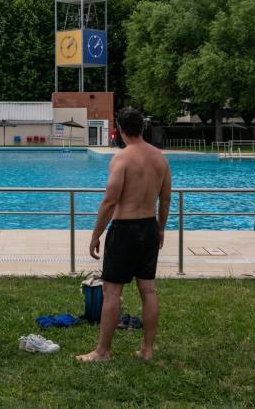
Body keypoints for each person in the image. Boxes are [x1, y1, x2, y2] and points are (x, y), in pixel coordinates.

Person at [77, 107, 171, 362]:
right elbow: (165, 200)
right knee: (148, 290)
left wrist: (96, 234)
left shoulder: (122, 159)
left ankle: (102, 351)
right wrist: (160, 229)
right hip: (150, 227)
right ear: (142, 128)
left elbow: (110, 200)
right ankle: (147, 350)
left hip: (125, 229)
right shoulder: (160, 159)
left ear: (119, 130)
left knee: (112, 292)